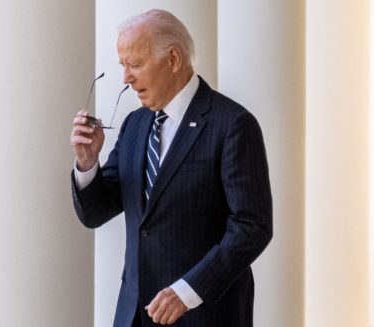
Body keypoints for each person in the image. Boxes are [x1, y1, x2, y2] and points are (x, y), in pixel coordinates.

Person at [70, 9, 272, 327]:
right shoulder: (134, 125)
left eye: (135, 64)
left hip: (204, 313)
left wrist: (187, 291)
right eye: (123, 66)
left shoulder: (233, 124)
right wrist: (87, 162)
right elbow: (98, 211)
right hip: (135, 314)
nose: (126, 78)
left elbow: (251, 227)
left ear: (173, 59)